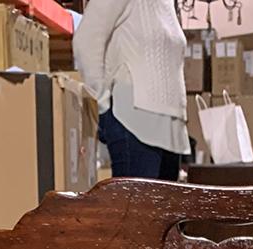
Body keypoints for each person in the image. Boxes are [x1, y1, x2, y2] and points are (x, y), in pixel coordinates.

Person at [74, 0, 189, 181]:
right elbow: (86, 40)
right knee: (133, 206)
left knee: (162, 208)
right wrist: (103, 107)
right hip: (134, 122)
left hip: (170, 129)